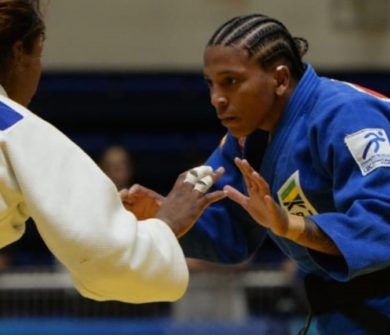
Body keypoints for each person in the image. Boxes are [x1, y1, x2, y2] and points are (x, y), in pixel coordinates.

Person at [122, 13, 390, 334]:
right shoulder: (247, 139)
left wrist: (290, 226)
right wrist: (162, 215)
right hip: (336, 314)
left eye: (231, 82)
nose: (217, 99)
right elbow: (230, 234)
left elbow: (387, 225)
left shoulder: (350, 116)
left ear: (280, 78)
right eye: (211, 84)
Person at [0, 0, 225, 303]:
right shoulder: (16, 130)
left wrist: (102, 213)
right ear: (20, 53)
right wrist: (167, 223)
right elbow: (110, 263)